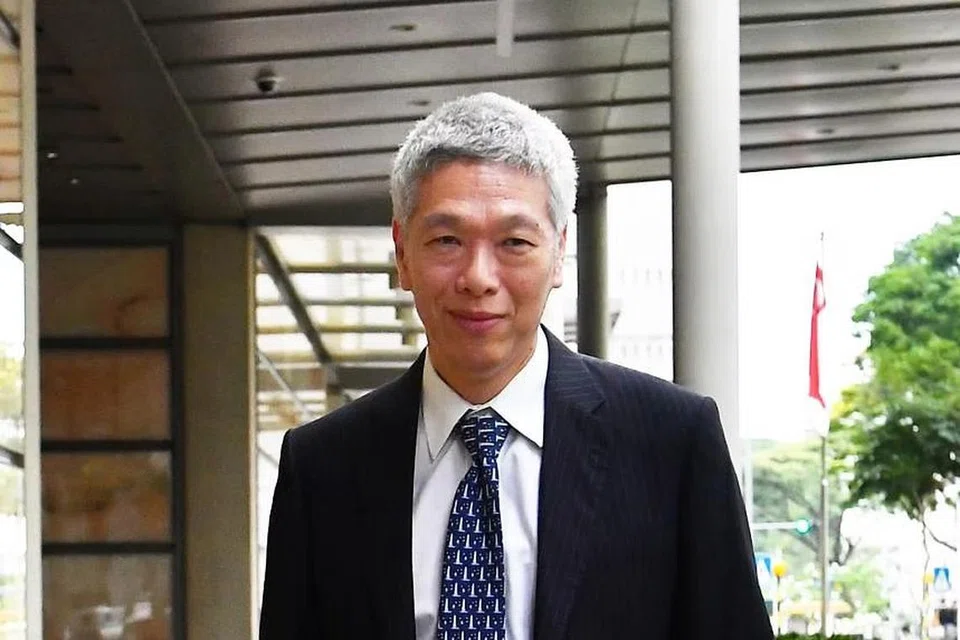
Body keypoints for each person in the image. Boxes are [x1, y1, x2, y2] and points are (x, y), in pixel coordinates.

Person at [259, 92, 773, 640]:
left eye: (514, 241)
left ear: (559, 251)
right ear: (402, 253)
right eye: (447, 240)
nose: (478, 278)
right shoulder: (321, 466)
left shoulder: (672, 442)